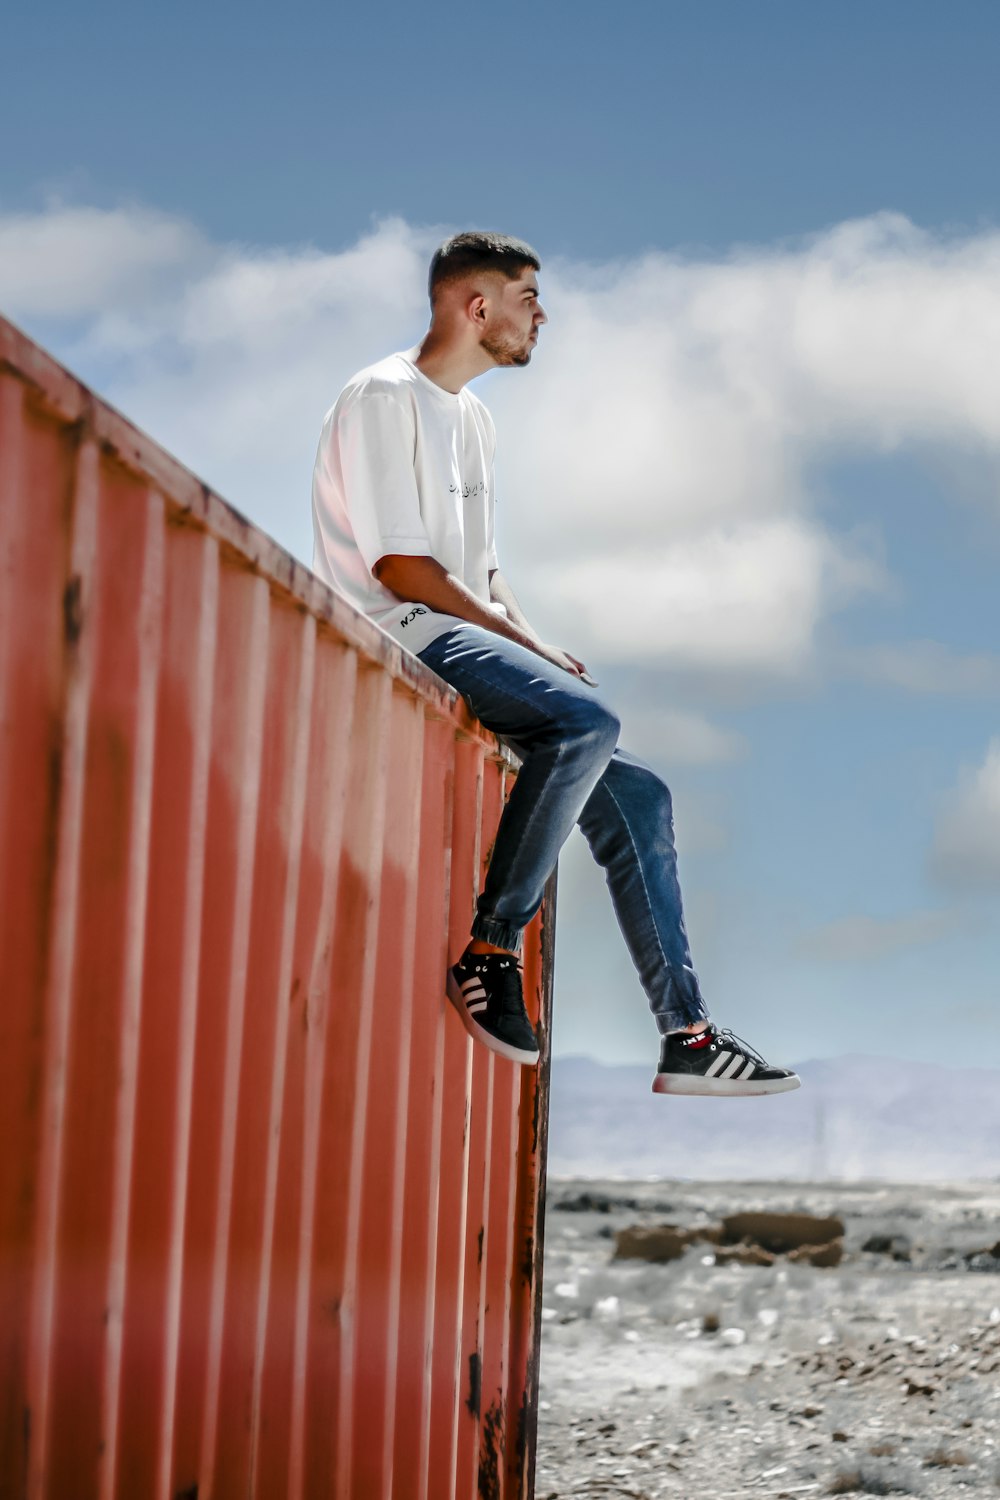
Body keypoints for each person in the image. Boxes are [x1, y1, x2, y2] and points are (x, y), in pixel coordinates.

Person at [311, 231, 800, 1098]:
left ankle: (686, 1036)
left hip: (460, 630)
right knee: (585, 723)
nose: (542, 315)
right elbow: (403, 568)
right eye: (528, 297)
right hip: (402, 629)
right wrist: (522, 647)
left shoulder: (475, 420)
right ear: (477, 306)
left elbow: (485, 572)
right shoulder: (384, 395)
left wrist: (529, 635)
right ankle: (490, 951)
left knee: (641, 792)